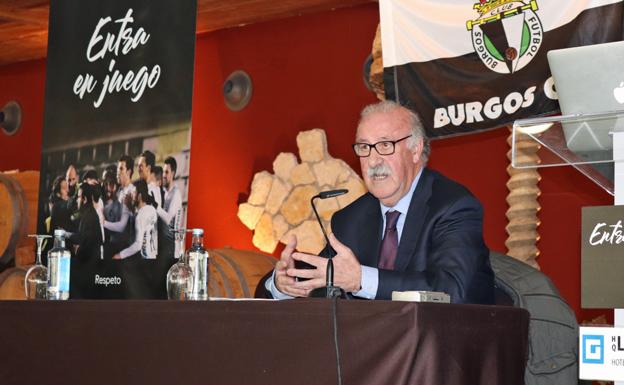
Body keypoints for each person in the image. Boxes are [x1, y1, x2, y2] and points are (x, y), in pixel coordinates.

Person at [266, 100, 494, 304]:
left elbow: (454, 291)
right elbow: (326, 272)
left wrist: (361, 280)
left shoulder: (452, 206)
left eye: (385, 145)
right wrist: (283, 282)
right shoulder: (351, 219)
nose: (373, 160)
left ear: (415, 150)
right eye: (364, 147)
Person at [113, 179, 158, 260]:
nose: (131, 195)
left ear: (139, 196)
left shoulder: (140, 216)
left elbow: (138, 245)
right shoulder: (151, 210)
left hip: (144, 261)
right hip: (153, 258)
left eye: (133, 192)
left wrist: (120, 255)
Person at [156, 157, 183, 259]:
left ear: (173, 173)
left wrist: (155, 205)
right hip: (161, 242)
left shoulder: (176, 194)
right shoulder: (162, 191)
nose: (163, 175)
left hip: (170, 245)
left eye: (166, 172)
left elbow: (168, 219)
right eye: (163, 172)